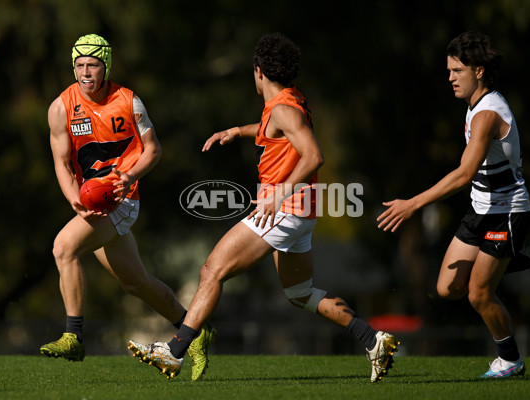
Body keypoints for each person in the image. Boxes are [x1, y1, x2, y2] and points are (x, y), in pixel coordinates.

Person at [128, 32, 399, 383]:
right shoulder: (287, 103)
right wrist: (237, 130)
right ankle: (373, 339)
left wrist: (278, 193)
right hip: (301, 213)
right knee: (300, 294)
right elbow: (274, 131)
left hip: (284, 209)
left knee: (212, 270)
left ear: (258, 72)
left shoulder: (284, 108)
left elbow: (314, 156)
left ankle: (175, 351)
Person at [377, 31, 530, 378]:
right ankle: (528, 258)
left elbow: (464, 174)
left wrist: (413, 205)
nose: (449, 77)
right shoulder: (474, 107)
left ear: (479, 71)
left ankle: (510, 360)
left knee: (479, 294)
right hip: (480, 211)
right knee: (447, 289)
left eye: (456, 71)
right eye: (448, 71)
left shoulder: (487, 114)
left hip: (508, 212)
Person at [41, 33, 215, 382]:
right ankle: (193, 331)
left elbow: (153, 150)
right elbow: (61, 163)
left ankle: (73, 336)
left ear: (106, 66)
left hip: (123, 198)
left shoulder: (129, 101)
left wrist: (129, 176)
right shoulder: (61, 107)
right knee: (135, 283)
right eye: (79, 65)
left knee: (63, 248)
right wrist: (74, 200)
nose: (85, 72)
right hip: (90, 201)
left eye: (92, 65)